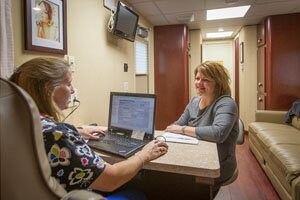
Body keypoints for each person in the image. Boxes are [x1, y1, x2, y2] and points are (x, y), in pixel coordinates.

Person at [10, 57, 168, 199]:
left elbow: (43, 135)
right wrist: (144, 155)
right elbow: (112, 179)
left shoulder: (17, 123)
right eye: (69, 83)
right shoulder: (57, 134)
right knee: (136, 194)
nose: (72, 90)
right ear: (47, 89)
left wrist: (76, 130)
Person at [165, 61, 239, 197]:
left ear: (218, 83)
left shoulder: (226, 103)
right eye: (197, 78)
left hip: (219, 165)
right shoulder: (194, 102)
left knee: (181, 185)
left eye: (205, 80)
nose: (199, 83)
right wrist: (169, 131)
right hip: (194, 157)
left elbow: (218, 133)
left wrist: (182, 130)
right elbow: (177, 124)